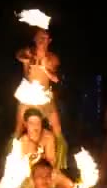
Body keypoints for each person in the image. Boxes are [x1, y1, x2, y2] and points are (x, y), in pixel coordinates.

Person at [14, 29, 68, 169]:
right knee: (19, 128)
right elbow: (26, 75)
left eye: (45, 37)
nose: (42, 40)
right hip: (29, 95)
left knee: (57, 129)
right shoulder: (28, 53)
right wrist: (26, 63)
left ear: (49, 41)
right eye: (39, 37)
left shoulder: (52, 58)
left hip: (44, 97)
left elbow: (55, 78)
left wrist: (44, 66)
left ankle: (57, 166)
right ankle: (16, 162)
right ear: (34, 39)